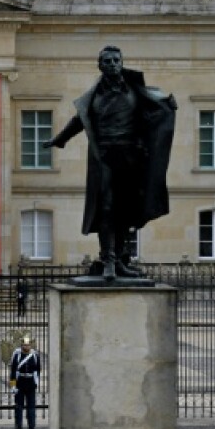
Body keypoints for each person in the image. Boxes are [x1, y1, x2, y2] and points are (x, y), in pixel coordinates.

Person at [43, 45, 176, 281]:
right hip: (103, 157)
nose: (113, 64)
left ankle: (122, 259)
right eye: (108, 61)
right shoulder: (94, 96)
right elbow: (79, 120)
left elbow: (156, 109)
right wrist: (59, 139)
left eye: (116, 60)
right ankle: (109, 261)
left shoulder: (136, 91)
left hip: (130, 158)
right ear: (100, 66)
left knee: (125, 211)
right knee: (106, 208)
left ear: (121, 63)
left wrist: (167, 106)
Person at [8, 336, 40, 429]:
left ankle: (32, 425)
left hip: (30, 382)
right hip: (20, 382)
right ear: (21, 345)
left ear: (30, 346)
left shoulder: (35, 355)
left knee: (31, 405)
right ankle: (18, 425)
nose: (26, 347)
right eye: (24, 345)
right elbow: (13, 370)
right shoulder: (17, 355)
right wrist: (13, 385)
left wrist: (36, 382)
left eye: (28, 345)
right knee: (19, 405)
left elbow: (37, 370)